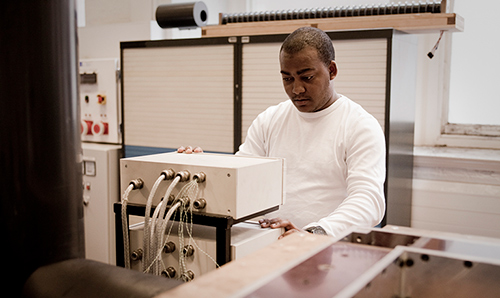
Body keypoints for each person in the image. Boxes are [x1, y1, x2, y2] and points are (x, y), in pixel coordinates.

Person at [179, 27, 386, 238]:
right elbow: (240, 179)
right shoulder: (270, 120)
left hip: (323, 248)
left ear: (331, 70)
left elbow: (368, 201)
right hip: (266, 242)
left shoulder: (360, 126)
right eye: (287, 79)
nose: (296, 90)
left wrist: (312, 233)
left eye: (307, 77)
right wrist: (200, 172)